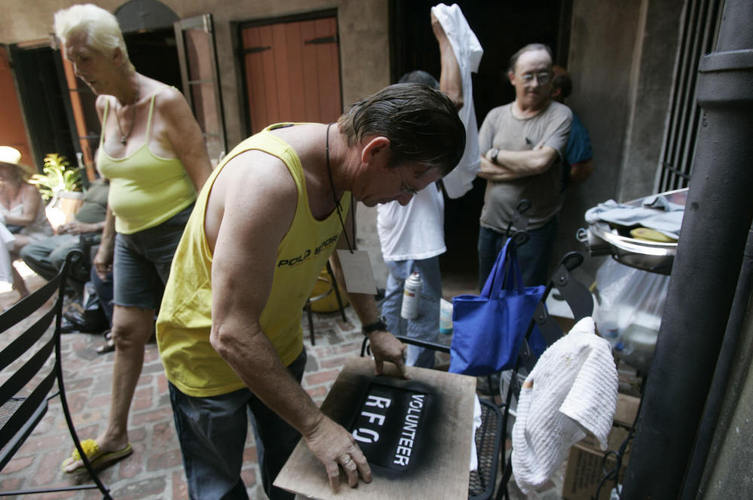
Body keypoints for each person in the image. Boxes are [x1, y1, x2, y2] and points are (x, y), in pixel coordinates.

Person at [156, 83, 465, 499]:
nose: (406, 202)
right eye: (409, 185)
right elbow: (230, 331)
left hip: (277, 348)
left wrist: (375, 326)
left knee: (289, 470)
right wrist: (317, 425)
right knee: (219, 487)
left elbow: (348, 252)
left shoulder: (344, 169)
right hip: (207, 359)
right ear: (375, 151)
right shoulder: (269, 181)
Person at [54, 3, 212, 473]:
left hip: (174, 232)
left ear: (117, 53)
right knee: (125, 334)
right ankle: (115, 435)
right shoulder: (104, 104)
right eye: (71, 59)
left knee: (190, 336)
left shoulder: (166, 102)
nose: (77, 71)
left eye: (84, 58)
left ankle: (212, 425)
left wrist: (215, 248)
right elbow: (115, 186)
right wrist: (105, 243)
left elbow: (204, 180)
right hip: (127, 238)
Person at [377, 5, 482, 368]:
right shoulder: (411, 133)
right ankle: (415, 373)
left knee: (397, 298)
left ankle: (388, 359)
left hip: (405, 241)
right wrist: (444, 40)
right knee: (421, 310)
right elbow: (453, 100)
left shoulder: (396, 129)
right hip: (413, 243)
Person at [477, 43, 572, 288]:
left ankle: (517, 330)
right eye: (528, 76)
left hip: (534, 229)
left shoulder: (559, 115)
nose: (535, 83)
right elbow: (476, 166)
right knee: (487, 294)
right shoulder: (496, 116)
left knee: (523, 299)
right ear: (513, 78)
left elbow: (542, 162)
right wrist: (526, 165)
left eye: (543, 76)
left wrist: (495, 154)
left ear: (552, 78)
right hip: (491, 225)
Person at [20, 177, 108, 290]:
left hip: (95, 233)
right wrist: (68, 225)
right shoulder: (97, 184)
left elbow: (124, 221)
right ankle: (69, 289)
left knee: (60, 257)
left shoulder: (120, 187)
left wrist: (91, 227)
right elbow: (86, 210)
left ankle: (86, 290)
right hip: (75, 232)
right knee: (29, 252)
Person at [0, 146, 53, 299]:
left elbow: (28, 219)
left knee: (1, 246)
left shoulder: (29, 190)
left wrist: (3, 217)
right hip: (16, 236)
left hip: (38, 235)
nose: (0, 171)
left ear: (14, 169)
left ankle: (24, 294)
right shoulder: (1, 190)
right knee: (3, 251)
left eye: (3, 167)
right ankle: (23, 293)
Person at [551, 65, 593, 186]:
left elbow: (582, 169)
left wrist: (556, 187)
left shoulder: (570, 124)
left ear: (556, 92)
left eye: (543, 80)